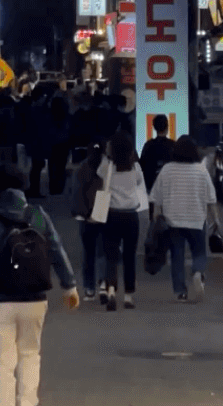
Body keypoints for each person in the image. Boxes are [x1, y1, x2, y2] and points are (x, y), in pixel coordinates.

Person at [0, 166, 78, 406]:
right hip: (35, 298)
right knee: (30, 355)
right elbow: (57, 250)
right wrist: (69, 285)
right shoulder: (37, 215)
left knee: (2, 364)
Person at [148, 135, 220, 303]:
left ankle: (180, 292)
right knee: (199, 252)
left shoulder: (167, 169)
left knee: (177, 256)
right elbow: (211, 199)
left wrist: (155, 217)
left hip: (173, 221)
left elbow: (156, 198)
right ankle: (197, 272)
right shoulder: (201, 170)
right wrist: (216, 220)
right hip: (196, 220)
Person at [99, 130, 148, 312]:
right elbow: (139, 184)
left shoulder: (107, 166)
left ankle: (111, 291)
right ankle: (128, 296)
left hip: (111, 215)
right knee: (129, 256)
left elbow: (100, 177)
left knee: (111, 255)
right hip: (130, 216)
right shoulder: (135, 168)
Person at [70, 141, 106, 298]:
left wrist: (83, 213)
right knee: (103, 252)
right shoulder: (107, 168)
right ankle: (104, 284)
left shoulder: (81, 170)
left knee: (88, 254)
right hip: (103, 213)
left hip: (86, 217)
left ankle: (89, 288)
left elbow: (76, 194)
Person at [139, 114, 174, 197]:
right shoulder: (174, 146)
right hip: (169, 187)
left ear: (154, 127)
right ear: (167, 127)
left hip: (151, 187)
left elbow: (142, 167)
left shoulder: (148, 145)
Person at [46, 91, 71, 197]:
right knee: (61, 166)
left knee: (52, 166)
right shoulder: (66, 116)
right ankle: (60, 187)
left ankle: (52, 186)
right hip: (64, 143)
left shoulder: (50, 115)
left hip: (52, 142)